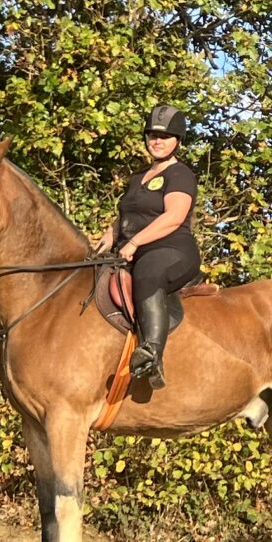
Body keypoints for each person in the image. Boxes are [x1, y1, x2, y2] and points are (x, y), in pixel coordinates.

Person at [100, 104, 200, 394]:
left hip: (172, 249)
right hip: (133, 249)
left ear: (177, 141)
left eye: (165, 136)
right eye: (152, 135)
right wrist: (111, 235)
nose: (157, 141)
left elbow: (173, 217)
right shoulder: (136, 179)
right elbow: (129, 216)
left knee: (148, 272)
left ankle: (152, 354)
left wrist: (134, 242)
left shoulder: (180, 174)